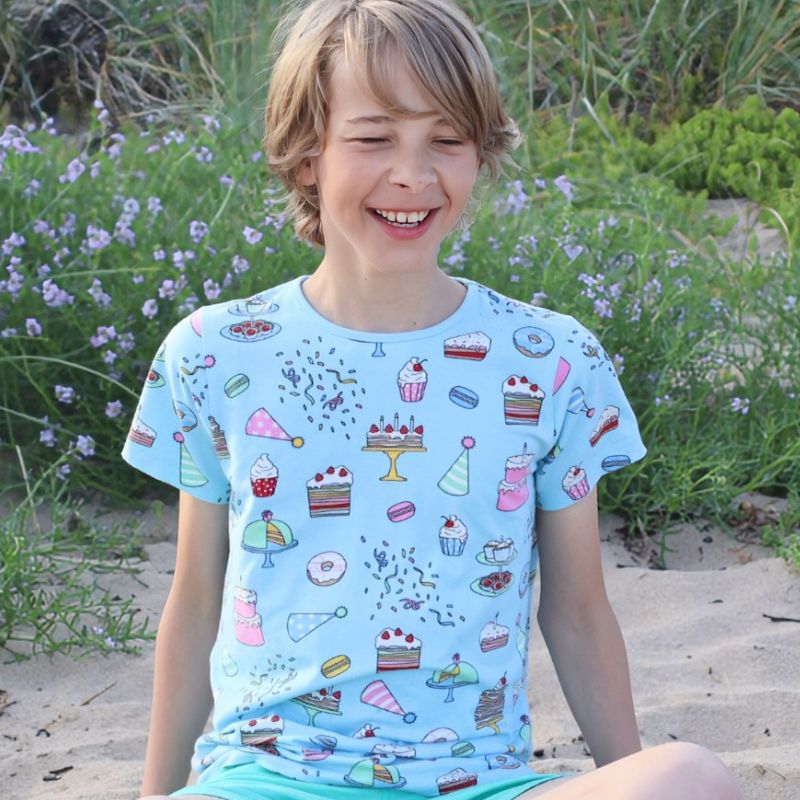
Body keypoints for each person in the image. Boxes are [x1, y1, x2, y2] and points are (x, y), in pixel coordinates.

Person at [125, 1, 744, 799]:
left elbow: (580, 610)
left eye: (446, 140)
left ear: (480, 156)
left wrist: (620, 775)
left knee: (691, 778)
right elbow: (195, 600)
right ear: (307, 153)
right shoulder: (216, 352)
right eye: (373, 137)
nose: (413, 175)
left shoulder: (550, 359)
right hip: (270, 776)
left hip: (477, 783)